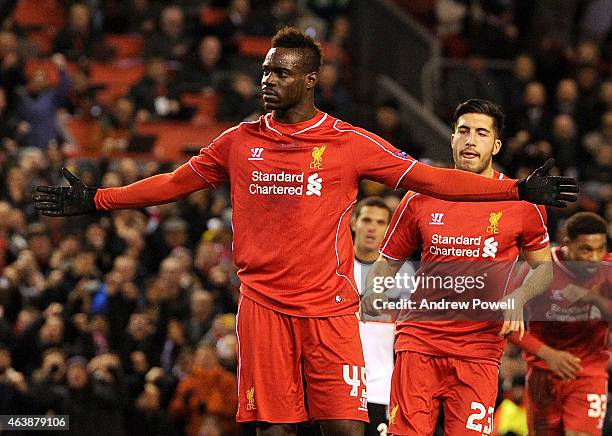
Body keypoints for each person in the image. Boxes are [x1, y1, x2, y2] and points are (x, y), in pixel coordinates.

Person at [33, 28, 577, 435]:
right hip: (263, 306)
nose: (267, 81)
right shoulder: (238, 141)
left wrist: (516, 192)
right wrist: (99, 199)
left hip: (329, 311)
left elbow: (433, 179)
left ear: (310, 79)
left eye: (281, 73)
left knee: (346, 426)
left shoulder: (348, 142)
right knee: (275, 429)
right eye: (266, 72)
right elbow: (175, 183)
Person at [365, 98, 554, 435]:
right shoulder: (420, 197)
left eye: (481, 133)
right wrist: (373, 294)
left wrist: (519, 296)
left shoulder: (522, 201)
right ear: (452, 138)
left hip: (479, 349)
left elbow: (544, 269)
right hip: (419, 342)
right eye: (463, 131)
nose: (470, 140)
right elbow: (388, 261)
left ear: (495, 145)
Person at [509, 211, 610, 435]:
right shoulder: (539, 269)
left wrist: (594, 299)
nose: (594, 257)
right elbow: (507, 322)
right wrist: (548, 354)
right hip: (543, 372)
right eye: (586, 249)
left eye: (600, 248)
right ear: (567, 244)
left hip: (588, 373)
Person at [351, 197, 415, 436]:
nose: (372, 227)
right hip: (338, 378)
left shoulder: (404, 272)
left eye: (380, 222)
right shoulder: (336, 264)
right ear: (353, 222)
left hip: (381, 385)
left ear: (389, 229)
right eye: (366, 220)